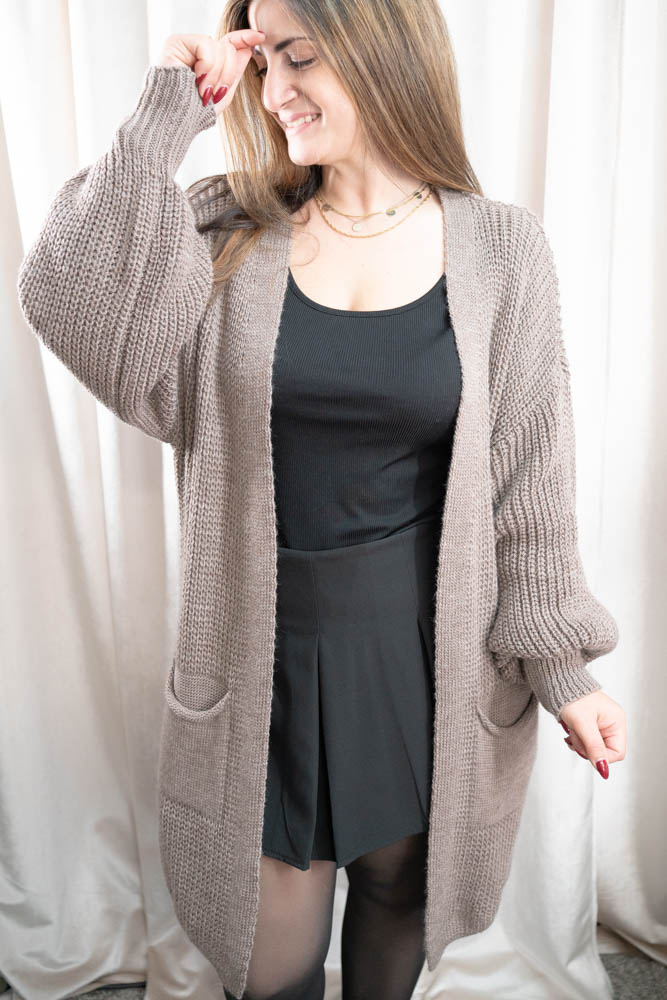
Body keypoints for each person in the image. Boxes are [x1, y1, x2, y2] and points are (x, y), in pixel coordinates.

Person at [16, 1, 626, 998]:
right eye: (264, 64)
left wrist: (565, 671)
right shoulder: (227, 227)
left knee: (394, 917)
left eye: (299, 59)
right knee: (271, 970)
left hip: (425, 662)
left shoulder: (502, 251)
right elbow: (70, 298)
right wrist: (167, 110)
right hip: (260, 661)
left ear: (384, 53)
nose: (275, 91)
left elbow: (527, 481)